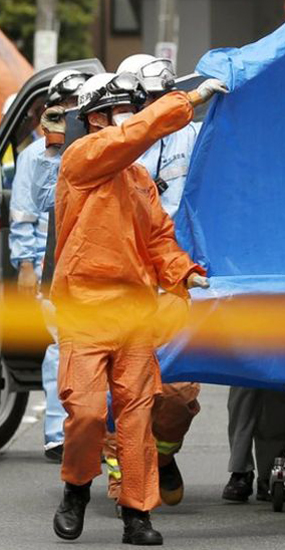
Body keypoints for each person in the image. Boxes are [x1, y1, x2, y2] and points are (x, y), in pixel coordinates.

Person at [50, 71, 225, 545]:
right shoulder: (81, 159)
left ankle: (137, 514)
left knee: (135, 417)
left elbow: (158, 240)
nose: (130, 117)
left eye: (133, 107)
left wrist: (182, 272)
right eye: (124, 108)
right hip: (86, 309)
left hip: (134, 311)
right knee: (86, 413)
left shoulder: (139, 179)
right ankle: (76, 487)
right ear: (95, 118)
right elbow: (135, 134)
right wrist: (183, 101)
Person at [97, 53, 206, 507]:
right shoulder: (111, 145)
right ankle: (123, 477)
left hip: (175, 278)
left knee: (177, 392)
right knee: (119, 387)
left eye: (166, 95)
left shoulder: (196, 134)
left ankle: (162, 456)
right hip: (121, 284)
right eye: (147, 98)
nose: (157, 104)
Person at [8, 69, 90, 462]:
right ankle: (58, 434)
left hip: (95, 264)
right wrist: (25, 263)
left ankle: (95, 428)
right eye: (65, 107)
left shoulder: (100, 147)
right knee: (61, 347)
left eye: (79, 105)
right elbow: (26, 210)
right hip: (52, 266)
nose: (73, 113)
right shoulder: (33, 157)